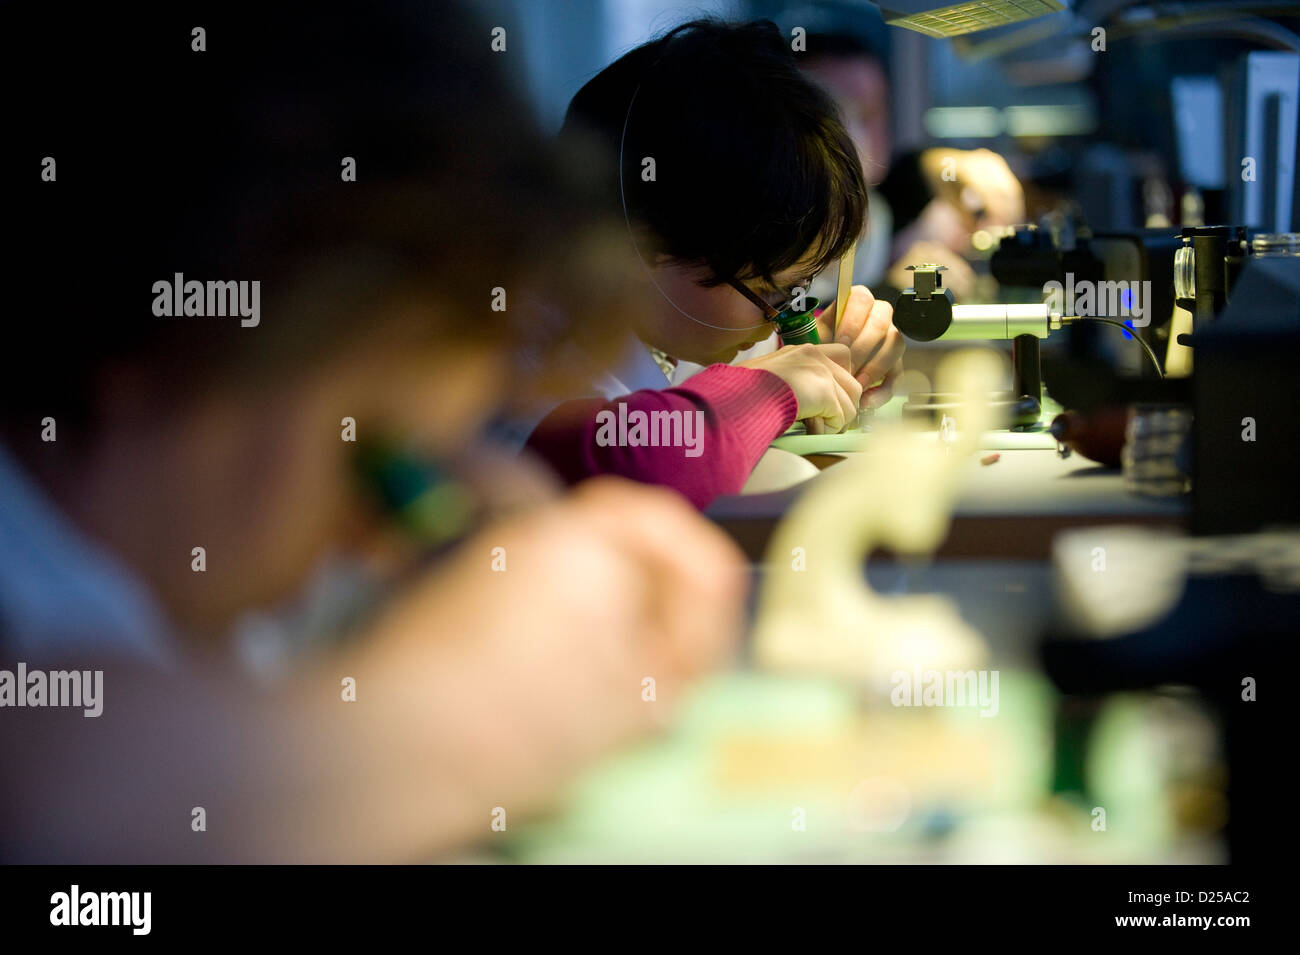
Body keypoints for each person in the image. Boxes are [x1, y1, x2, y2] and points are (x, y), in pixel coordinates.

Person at [0, 3, 745, 862]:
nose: (374, 535)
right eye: (370, 458)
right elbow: (52, 785)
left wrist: (478, 531)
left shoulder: (190, 543)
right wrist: (477, 708)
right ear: (159, 335)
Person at [524, 19, 906, 509]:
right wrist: (771, 390)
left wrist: (835, 347)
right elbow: (640, 461)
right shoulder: (523, 362)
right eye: (770, 291)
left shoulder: (677, 320)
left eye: (803, 286)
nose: (781, 314)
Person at [792, 12, 1027, 302]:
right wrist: (887, 294)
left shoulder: (879, 211)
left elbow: (906, 176)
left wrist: (944, 166)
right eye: (837, 113)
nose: (856, 134)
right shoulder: (780, 238)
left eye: (871, 112)